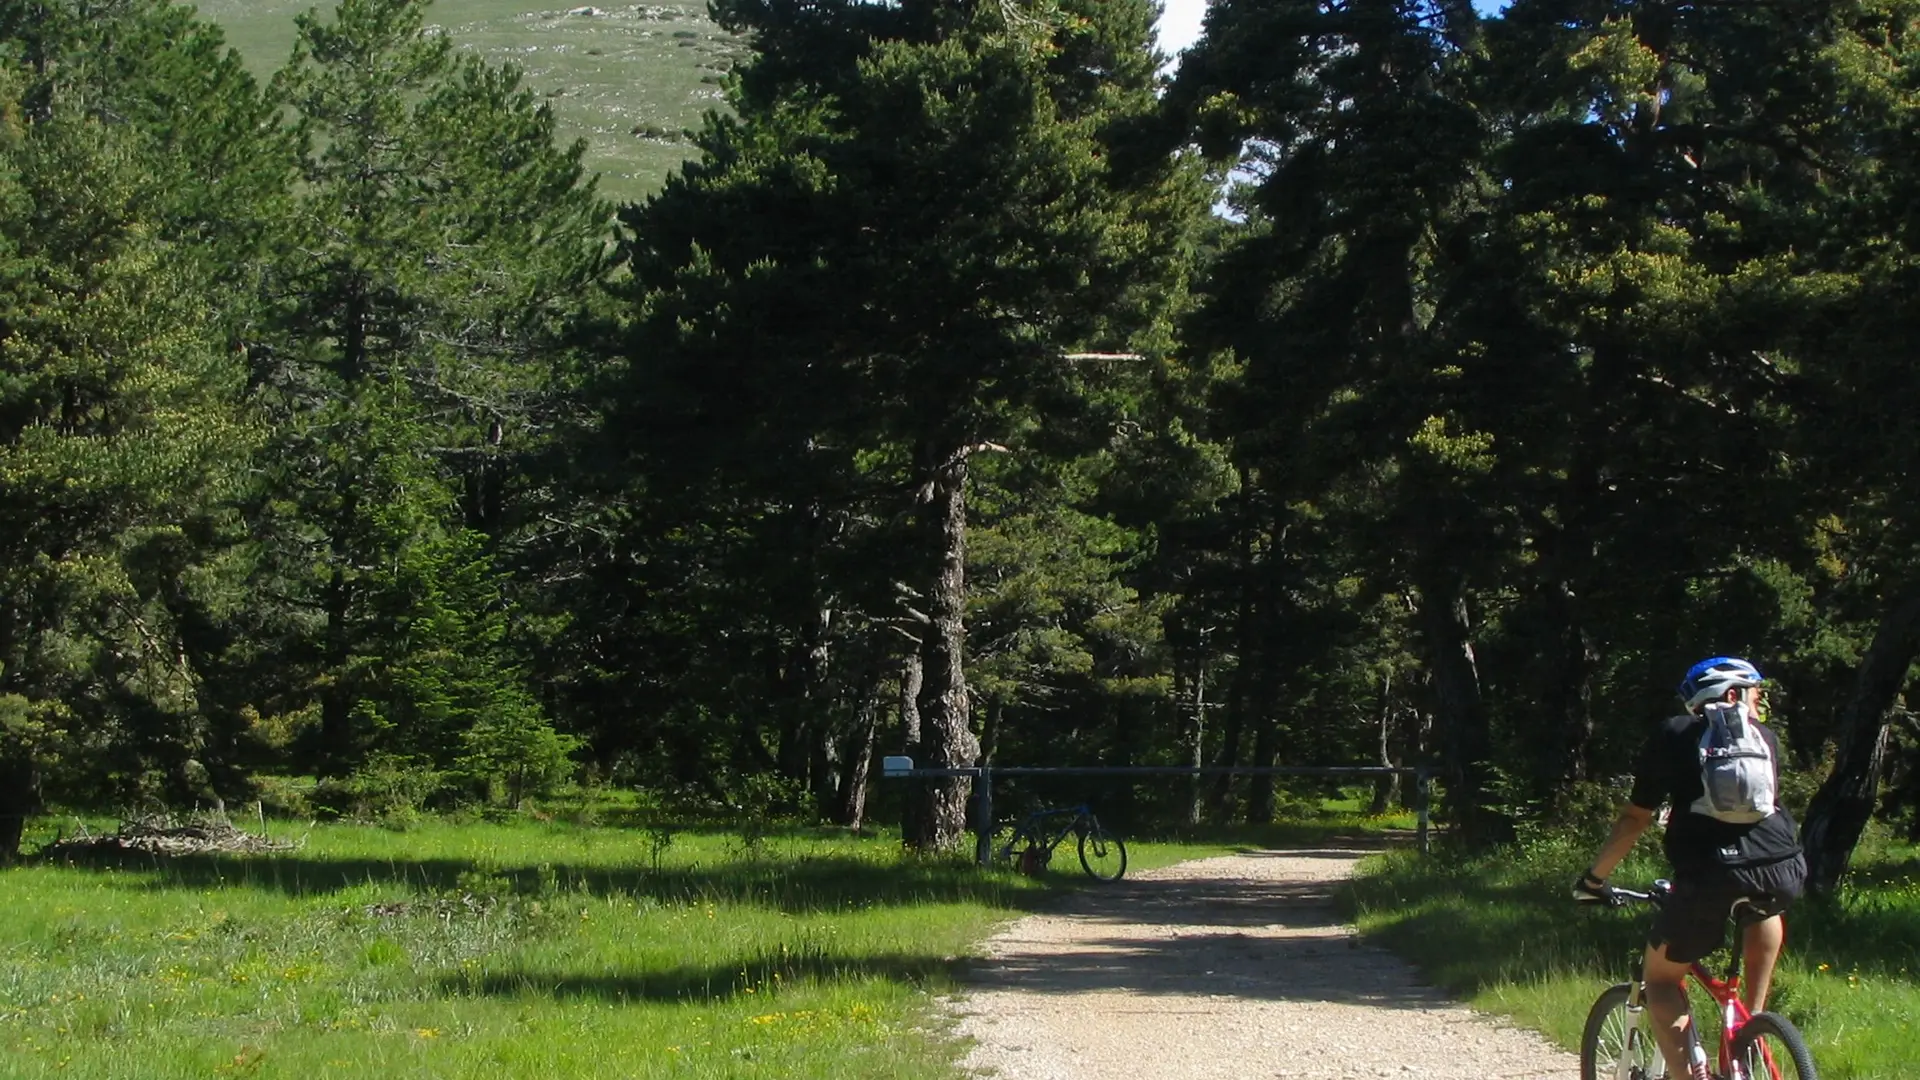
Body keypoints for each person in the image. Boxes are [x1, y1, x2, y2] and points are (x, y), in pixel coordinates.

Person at [1574, 656, 1807, 1080]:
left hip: (1709, 876)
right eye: (1756, 692)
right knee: (1766, 908)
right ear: (1734, 693)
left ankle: (1687, 1074)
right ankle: (1751, 1028)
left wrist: (1595, 878)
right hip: (1783, 868)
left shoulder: (1673, 733)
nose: (1759, 702)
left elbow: (1634, 820)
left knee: (1660, 980)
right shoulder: (1766, 737)